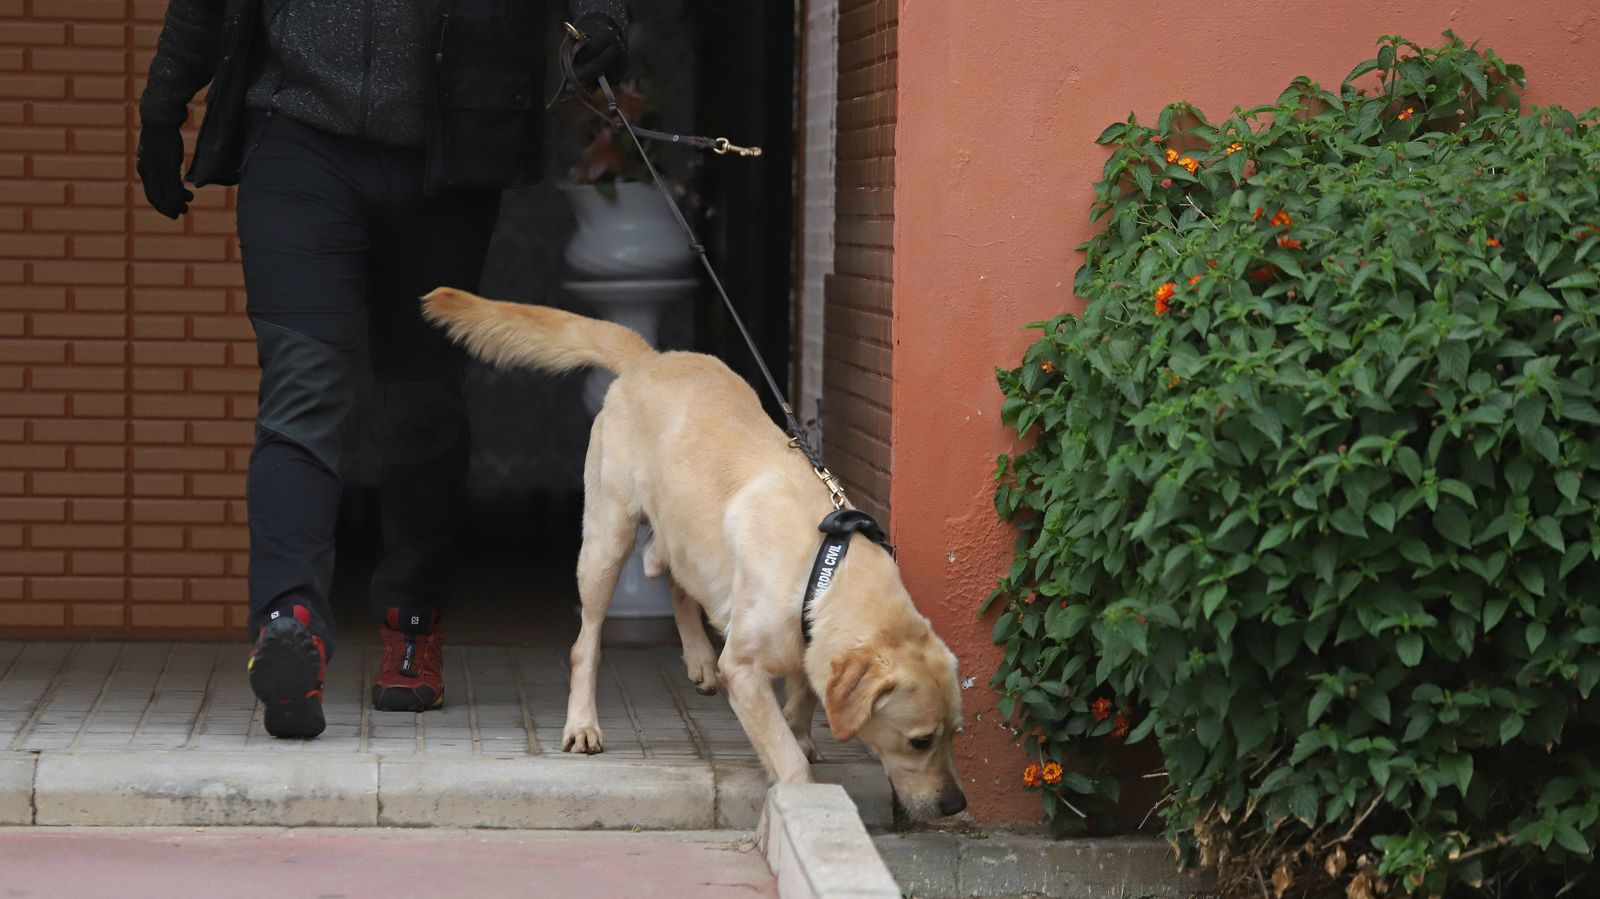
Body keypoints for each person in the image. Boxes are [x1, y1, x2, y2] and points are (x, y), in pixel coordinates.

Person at [136, 0, 628, 738]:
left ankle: (412, 618)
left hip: (448, 157)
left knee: (422, 402)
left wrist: (601, 19)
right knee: (301, 388)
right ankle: (288, 626)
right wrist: (162, 105)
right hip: (298, 144)